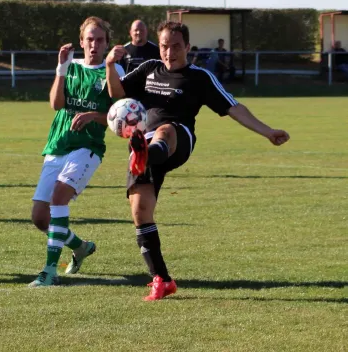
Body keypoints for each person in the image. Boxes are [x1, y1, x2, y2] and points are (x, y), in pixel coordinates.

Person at [105, 21, 290, 301]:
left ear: (187, 48)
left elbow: (233, 107)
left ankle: (147, 152)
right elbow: (116, 94)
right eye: (165, 46)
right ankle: (162, 279)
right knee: (140, 212)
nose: (169, 52)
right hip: (143, 142)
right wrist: (109, 65)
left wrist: (267, 132)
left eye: (176, 46)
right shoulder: (147, 70)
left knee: (165, 130)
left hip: (177, 139)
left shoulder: (199, 77)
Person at [29, 16, 126, 287]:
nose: (94, 44)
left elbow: (120, 112)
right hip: (58, 144)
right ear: (81, 41)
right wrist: (60, 68)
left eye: (100, 40)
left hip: (87, 148)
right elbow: (56, 104)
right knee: (40, 217)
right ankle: (80, 247)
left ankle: (49, 270)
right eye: (89, 39)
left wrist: (94, 115)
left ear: (107, 43)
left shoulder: (112, 69)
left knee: (59, 198)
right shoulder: (70, 66)